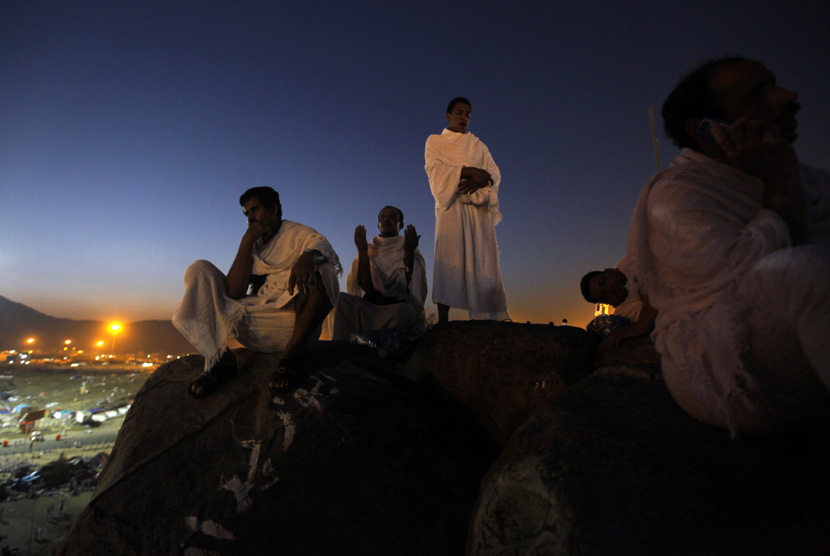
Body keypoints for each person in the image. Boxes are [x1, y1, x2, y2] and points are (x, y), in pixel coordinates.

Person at [625, 57, 830, 435]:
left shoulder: (808, 177)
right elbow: (749, 287)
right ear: (707, 130)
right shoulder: (676, 194)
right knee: (804, 270)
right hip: (722, 365)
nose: (788, 97)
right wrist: (779, 185)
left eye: (775, 84)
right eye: (757, 96)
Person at [173, 186, 341, 398]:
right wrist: (247, 241)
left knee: (324, 269)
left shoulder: (296, 233)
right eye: (246, 213)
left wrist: (308, 256)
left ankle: (290, 358)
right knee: (199, 269)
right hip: (255, 320)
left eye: (255, 209)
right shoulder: (253, 245)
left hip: (295, 323)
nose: (250, 217)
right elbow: (234, 292)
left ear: (274, 209)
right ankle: (221, 358)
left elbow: (320, 244)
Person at [425, 97, 509, 324]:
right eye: (460, 113)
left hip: (478, 211)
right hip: (450, 206)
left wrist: (481, 181)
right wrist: (469, 171)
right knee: (447, 258)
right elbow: (435, 170)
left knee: (483, 259)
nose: (464, 118)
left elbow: (494, 174)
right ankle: (443, 320)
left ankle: (488, 317)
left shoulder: (478, 145)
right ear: (448, 116)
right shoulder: (435, 141)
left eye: (468, 114)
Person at [332, 206, 428, 341]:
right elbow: (366, 286)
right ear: (378, 224)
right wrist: (362, 253)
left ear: (401, 224)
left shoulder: (408, 247)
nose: (386, 220)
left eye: (392, 217)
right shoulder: (369, 248)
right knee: (342, 300)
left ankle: (377, 340)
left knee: (406, 312)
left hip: (393, 310)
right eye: (382, 217)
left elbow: (407, 285)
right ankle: (339, 349)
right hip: (370, 309)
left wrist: (408, 253)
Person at [580, 257, 657, 348]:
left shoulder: (631, 259)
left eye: (603, 281)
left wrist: (641, 325)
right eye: (604, 296)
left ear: (610, 270)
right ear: (605, 303)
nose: (609, 289)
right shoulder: (625, 315)